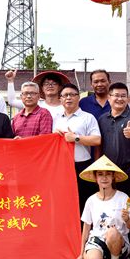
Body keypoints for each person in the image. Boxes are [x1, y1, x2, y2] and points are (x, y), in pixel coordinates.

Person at [76, 156, 130, 259]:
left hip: (118, 241)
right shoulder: (91, 200)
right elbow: (86, 228)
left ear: (113, 177)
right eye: (100, 174)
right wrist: (81, 254)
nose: (104, 178)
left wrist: (127, 219)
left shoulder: (123, 198)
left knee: (112, 231)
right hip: (98, 239)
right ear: (95, 178)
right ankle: (91, 255)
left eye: (108, 174)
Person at [53, 83, 101, 215]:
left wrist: (76, 138)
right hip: (61, 167)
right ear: (60, 99)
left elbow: (97, 140)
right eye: (65, 95)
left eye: (72, 95)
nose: (68, 98)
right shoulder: (56, 118)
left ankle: (83, 229)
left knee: (83, 202)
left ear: (78, 97)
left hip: (82, 166)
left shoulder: (88, 117)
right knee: (63, 203)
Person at [97, 82, 130, 197]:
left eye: (123, 96)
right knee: (107, 200)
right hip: (107, 172)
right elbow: (98, 144)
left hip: (127, 172)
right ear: (109, 98)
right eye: (116, 95)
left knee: (127, 203)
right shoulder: (102, 119)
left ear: (127, 98)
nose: (120, 99)